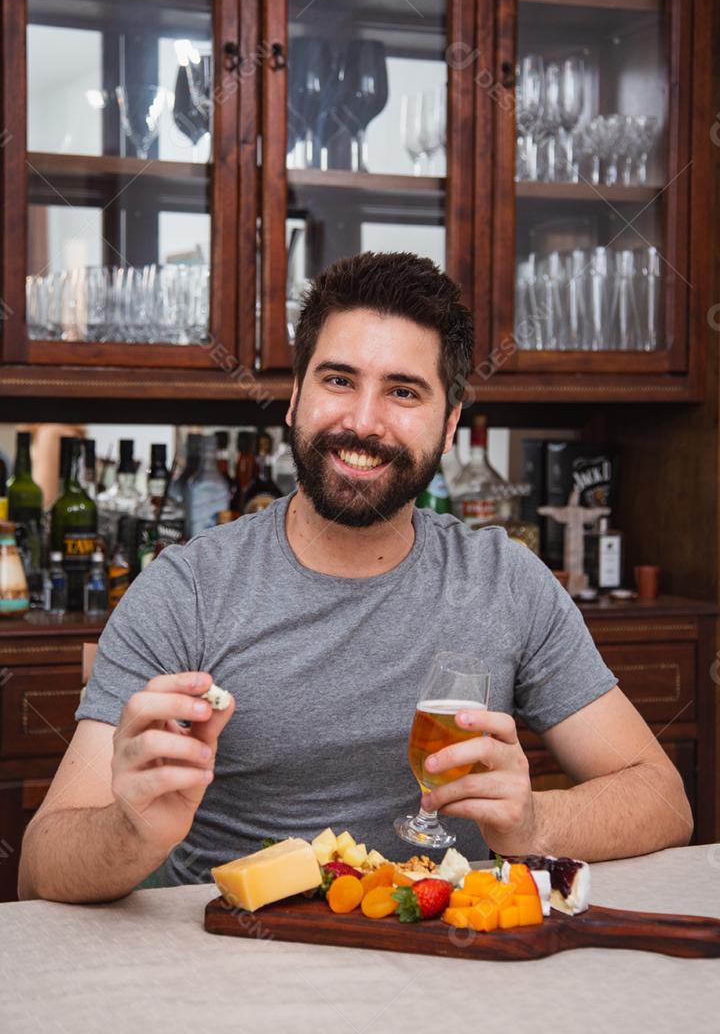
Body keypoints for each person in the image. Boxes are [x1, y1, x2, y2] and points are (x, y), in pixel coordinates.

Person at [18, 252, 691, 903]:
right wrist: (133, 831)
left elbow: (663, 798)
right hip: (236, 971)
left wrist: (534, 823)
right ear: (293, 399)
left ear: (450, 425)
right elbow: (41, 867)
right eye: (339, 380)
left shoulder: (505, 580)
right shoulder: (186, 589)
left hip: (448, 959)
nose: (363, 422)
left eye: (403, 391)